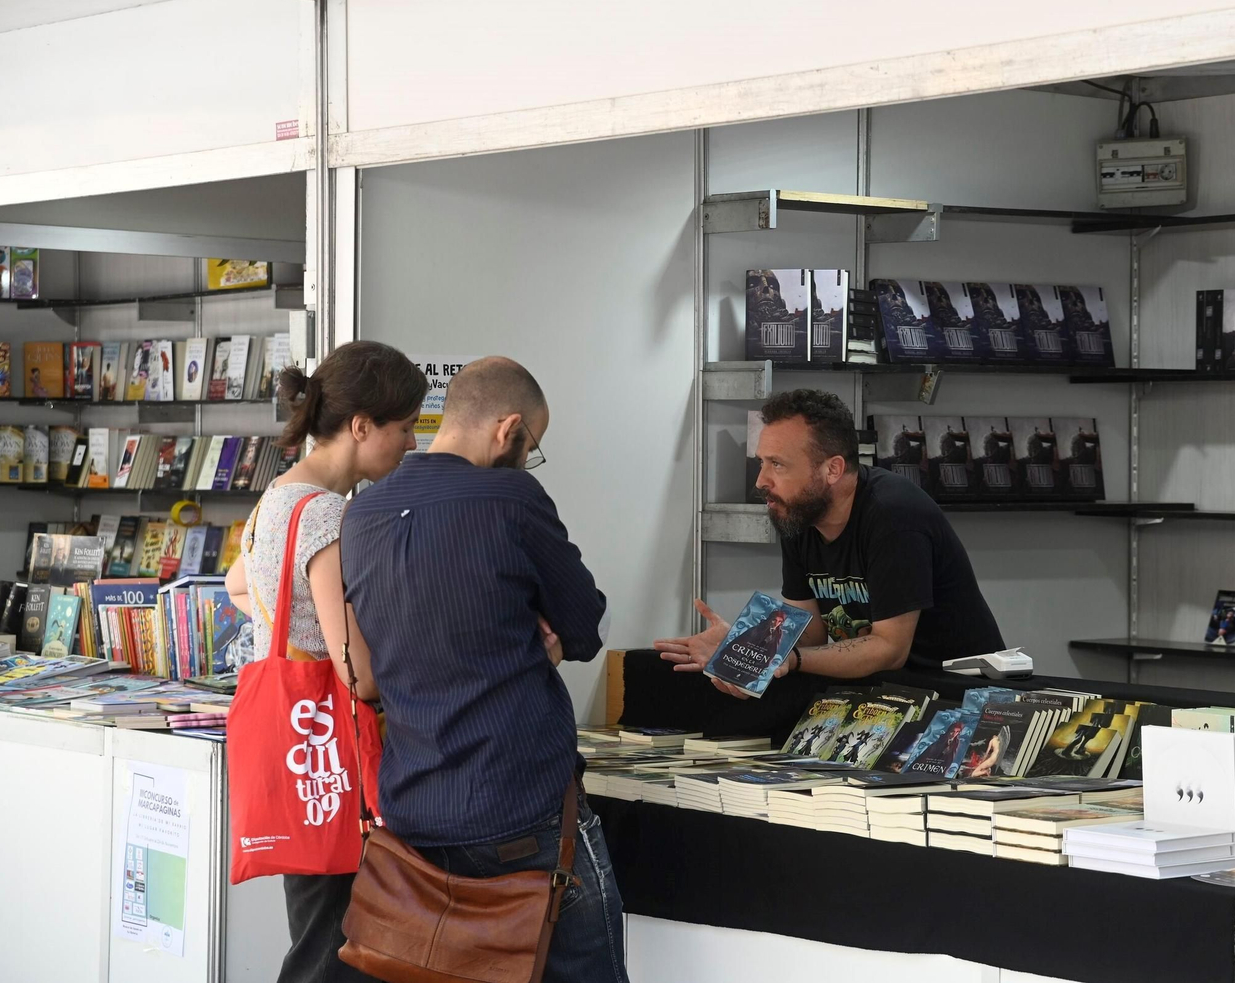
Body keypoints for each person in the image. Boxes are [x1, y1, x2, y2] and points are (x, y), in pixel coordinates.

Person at [339, 356, 629, 983]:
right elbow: (583, 625)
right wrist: (538, 641)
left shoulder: (362, 515)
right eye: (532, 446)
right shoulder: (512, 497)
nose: (529, 460)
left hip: (415, 811)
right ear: (509, 429)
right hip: (521, 810)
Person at [224, 339, 427, 983]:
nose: (412, 445)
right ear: (362, 427)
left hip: (293, 754)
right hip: (330, 757)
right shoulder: (329, 516)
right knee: (332, 953)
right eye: (404, 429)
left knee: (315, 931)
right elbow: (357, 671)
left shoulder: (276, 500)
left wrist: (295, 632)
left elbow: (237, 584)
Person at [657, 388, 1004, 691]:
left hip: (963, 694)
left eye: (777, 464)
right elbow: (809, 633)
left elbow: (889, 649)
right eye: (762, 462)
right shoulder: (798, 513)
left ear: (832, 470)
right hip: (886, 694)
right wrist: (743, 647)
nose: (762, 480)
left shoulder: (895, 515)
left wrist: (788, 658)